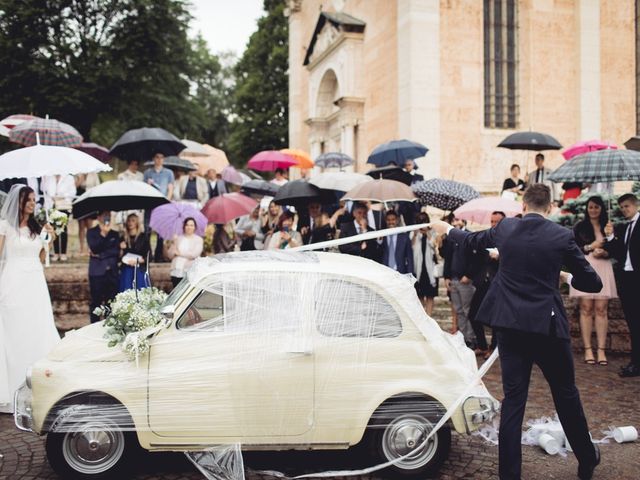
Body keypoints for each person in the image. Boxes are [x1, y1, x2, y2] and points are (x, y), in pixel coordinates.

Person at [430, 184, 602, 480]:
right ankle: (586, 458)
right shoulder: (561, 236)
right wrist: (566, 276)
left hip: (510, 327)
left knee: (513, 401)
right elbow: (593, 283)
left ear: (523, 205)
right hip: (547, 329)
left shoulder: (507, 228)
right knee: (566, 395)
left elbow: (472, 240)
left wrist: (448, 228)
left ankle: (509, 475)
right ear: (549, 207)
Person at [0, 185, 59, 413]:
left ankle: (38, 388)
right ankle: (12, 387)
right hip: (13, 281)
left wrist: (49, 239)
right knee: (15, 332)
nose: (34, 204)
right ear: (20, 201)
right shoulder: (6, 226)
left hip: (35, 282)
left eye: (35, 200)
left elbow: (42, 257)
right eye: (30, 200)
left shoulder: (37, 227)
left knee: (37, 328)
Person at [571, 196, 617, 366]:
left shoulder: (609, 226)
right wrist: (591, 246)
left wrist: (606, 251)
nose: (593, 210)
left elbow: (615, 250)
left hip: (603, 267)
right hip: (586, 268)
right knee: (586, 308)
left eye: (596, 207)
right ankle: (588, 349)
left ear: (601, 209)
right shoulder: (580, 227)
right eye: (590, 207)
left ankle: (601, 350)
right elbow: (574, 248)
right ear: (587, 209)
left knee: (601, 309)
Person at [604, 193, 640, 377]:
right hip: (627, 281)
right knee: (632, 323)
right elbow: (619, 253)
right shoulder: (626, 227)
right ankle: (635, 363)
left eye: (627, 206)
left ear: (635, 205)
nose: (624, 210)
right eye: (622, 207)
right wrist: (610, 238)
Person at [469, 211, 505, 358]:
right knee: (473, 314)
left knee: (495, 318)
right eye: (492, 221)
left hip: (498, 284)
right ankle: (482, 345)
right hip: (483, 282)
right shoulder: (486, 238)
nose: (493, 224)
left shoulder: (509, 240)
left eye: (497, 222)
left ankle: (493, 347)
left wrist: (500, 256)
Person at [442, 217, 480, 348]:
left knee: (467, 310)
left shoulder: (470, 236)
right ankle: (464, 338)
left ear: (464, 221)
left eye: (458, 220)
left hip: (465, 281)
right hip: (453, 279)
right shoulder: (450, 237)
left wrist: (469, 275)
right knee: (458, 310)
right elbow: (447, 257)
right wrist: (446, 276)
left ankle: (472, 338)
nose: (456, 222)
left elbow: (476, 259)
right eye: (454, 220)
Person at [87, 211, 120, 323]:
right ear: (99, 217)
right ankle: (94, 325)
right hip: (97, 272)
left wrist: (100, 255)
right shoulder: (91, 232)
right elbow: (94, 247)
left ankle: (109, 325)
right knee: (95, 302)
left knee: (110, 302)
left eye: (109, 216)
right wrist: (103, 235)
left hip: (111, 272)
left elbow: (115, 251)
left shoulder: (115, 234)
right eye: (105, 215)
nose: (107, 217)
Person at [143, 152, 175, 261]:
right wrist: (148, 184)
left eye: (161, 157)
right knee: (147, 230)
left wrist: (167, 201)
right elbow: (143, 189)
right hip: (150, 204)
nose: (159, 159)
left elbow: (170, 188)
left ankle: (158, 255)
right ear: (153, 159)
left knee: (161, 233)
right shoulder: (148, 173)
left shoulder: (169, 173)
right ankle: (148, 255)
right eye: (157, 157)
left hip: (162, 204)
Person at [43, 174, 76, 261]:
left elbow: (73, 192)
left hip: (64, 206)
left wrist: (61, 196)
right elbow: (44, 190)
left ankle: (64, 252)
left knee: (63, 229)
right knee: (54, 229)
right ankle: (56, 252)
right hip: (52, 206)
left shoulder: (69, 178)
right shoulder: (49, 177)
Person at [412, 212, 438, 316]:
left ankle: (429, 316)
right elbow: (412, 247)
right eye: (420, 222)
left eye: (424, 222)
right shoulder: (414, 233)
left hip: (430, 269)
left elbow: (434, 246)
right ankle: (422, 316)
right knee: (420, 295)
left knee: (430, 295)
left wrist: (427, 233)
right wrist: (415, 234)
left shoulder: (433, 233)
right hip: (419, 268)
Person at [118, 213, 150, 292]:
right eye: (128, 221)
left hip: (139, 269)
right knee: (126, 290)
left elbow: (149, 256)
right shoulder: (123, 237)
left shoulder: (143, 237)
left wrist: (137, 261)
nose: (130, 223)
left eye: (133, 221)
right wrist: (121, 249)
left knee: (140, 291)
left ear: (137, 223)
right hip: (127, 269)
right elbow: (119, 257)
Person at [168, 217, 203, 287]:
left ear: (194, 227)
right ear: (184, 226)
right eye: (187, 225)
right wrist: (173, 242)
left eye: (191, 225)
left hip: (188, 271)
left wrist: (179, 254)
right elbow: (170, 255)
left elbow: (194, 254)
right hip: (176, 270)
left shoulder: (198, 239)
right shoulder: (178, 238)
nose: (189, 227)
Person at [75, 173, 101, 256]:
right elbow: (73, 187)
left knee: (89, 226)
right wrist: (81, 178)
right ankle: (81, 248)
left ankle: (90, 247)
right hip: (79, 200)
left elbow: (98, 187)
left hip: (90, 200)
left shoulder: (94, 174)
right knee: (81, 226)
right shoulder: (77, 173)